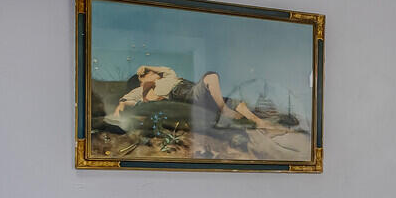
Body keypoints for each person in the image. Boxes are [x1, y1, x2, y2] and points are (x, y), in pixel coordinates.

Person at [109, 66, 279, 130]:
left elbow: (163, 69)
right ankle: (224, 110)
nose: (153, 74)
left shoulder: (167, 76)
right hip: (185, 93)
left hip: (192, 89)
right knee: (211, 77)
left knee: (237, 103)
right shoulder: (142, 89)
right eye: (148, 74)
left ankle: (260, 121)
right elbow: (125, 102)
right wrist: (118, 114)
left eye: (152, 73)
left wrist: (147, 69)